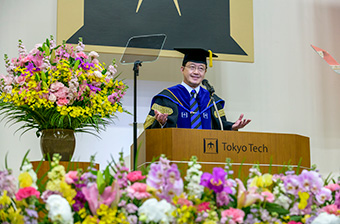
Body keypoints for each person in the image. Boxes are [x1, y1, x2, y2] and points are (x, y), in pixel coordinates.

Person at [143, 48, 251, 130]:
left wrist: (232, 127)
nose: (196, 72)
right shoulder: (167, 98)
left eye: (201, 68)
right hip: (176, 155)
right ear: (182, 69)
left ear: (205, 72)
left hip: (207, 155)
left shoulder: (212, 100)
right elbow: (149, 127)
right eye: (192, 67)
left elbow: (220, 127)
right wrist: (161, 123)